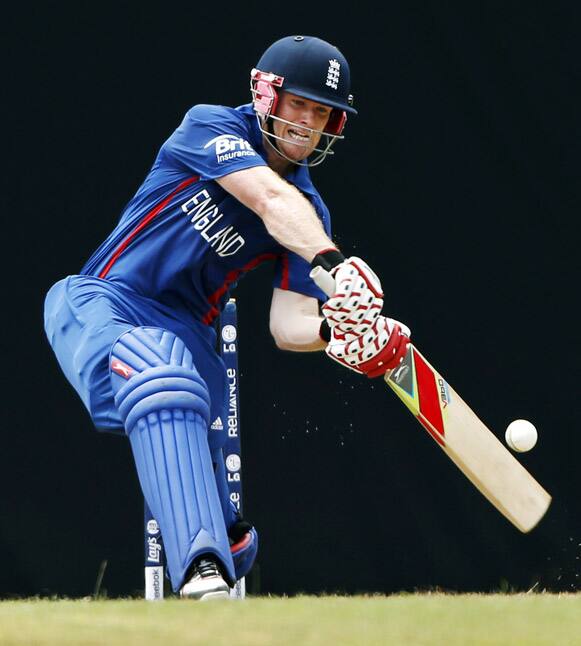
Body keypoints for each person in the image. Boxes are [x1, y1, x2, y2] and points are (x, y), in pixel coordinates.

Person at [44, 35, 410, 600]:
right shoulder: (210, 126)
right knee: (157, 367)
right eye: (299, 105)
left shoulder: (311, 215)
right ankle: (201, 567)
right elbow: (268, 198)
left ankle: (219, 555)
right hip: (104, 300)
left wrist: (340, 331)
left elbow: (287, 327)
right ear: (267, 96)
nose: (306, 125)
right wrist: (335, 264)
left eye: (321, 113)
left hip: (193, 340)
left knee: (179, 381)